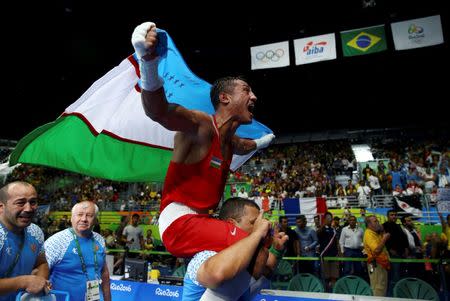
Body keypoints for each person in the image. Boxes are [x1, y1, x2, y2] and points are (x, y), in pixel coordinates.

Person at [131, 21, 275, 258]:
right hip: (180, 221)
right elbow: (158, 111)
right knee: (261, 249)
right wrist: (147, 61)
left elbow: (246, 146)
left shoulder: (231, 141)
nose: (254, 96)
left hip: (202, 220)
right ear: (225, 98)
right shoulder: (200, 126)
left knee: (259, 249)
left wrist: (263, 142)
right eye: (246, 90)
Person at [182, 198, 288, 301]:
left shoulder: (251, 258)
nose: (260, 227)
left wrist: (276, 251)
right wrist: (257, 233)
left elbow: (248, 292)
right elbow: (217, 274)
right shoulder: (206, 255)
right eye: (253, 223)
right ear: (231, 224)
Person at [44, 201, 111, 301]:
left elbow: (104, 272)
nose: (83, 219)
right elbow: (39, 271)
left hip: (94, 298)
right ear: (71, 218)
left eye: (89, 215)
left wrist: (108, 299)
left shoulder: (100, 240)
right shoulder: (57, 241)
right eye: (79, 215)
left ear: (96, 220)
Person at [0, 181, 50, 301]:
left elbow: (42, 262)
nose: (28, 209)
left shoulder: (35, 231)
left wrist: (39, 281)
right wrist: (24, 282)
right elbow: (25, 282)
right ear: (1, 207)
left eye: (33, 202)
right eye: (20, 203)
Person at [363, 215, 390, 296]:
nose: (378, 223)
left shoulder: (375, 233)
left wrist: (382, 232)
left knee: (381, 287)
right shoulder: (369, 234)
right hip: (375, 265)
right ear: (369, 224)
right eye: (375, 221)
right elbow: (377, 250)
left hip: (380, 265)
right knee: (378, 288)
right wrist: (385, 238)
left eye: (378, 221)